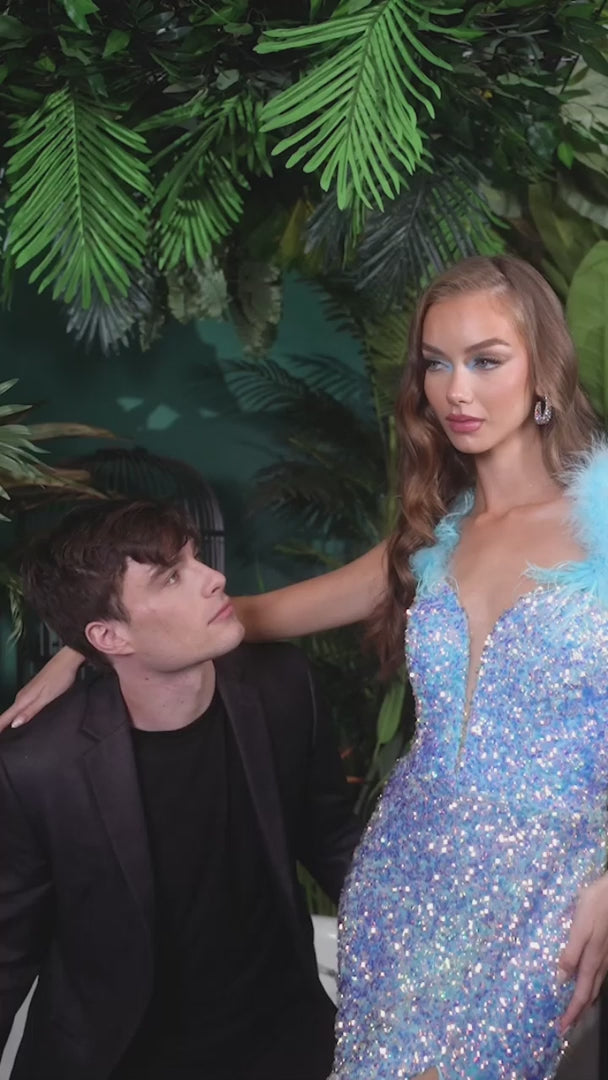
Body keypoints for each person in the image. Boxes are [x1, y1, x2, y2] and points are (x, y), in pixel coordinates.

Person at [4, 255, 608, 1078]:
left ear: (545, 366)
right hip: (408, 880)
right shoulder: (431, 537)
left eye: (486, 360)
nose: (456, 392)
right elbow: (238, 618)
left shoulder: (600, 520)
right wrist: (88, 643)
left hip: (552, 889)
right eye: (436, 364)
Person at [0, 500, 361, 1080]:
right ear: (108, 636)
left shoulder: (285, 687)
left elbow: (335, 843)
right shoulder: (37, 768)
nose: (214, 578)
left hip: (285, 1042)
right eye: (171, 577)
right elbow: (7, 955)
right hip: (120, 1059)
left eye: (195, 558)